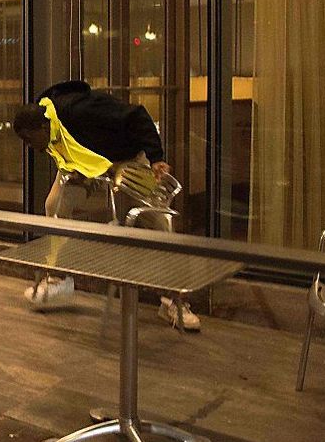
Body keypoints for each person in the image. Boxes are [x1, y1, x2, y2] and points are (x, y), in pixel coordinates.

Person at [13, 80, 201, 331]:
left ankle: (173, 301)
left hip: (126, 160)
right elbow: (72, 148)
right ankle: (58, 280)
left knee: (158, 224)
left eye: (28, 139)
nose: (30, 146)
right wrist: (80, 171)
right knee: (54, 205)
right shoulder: (49, 128)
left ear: (41, 127)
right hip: (89, 169)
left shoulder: (80, 110)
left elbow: (138, 116)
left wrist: (156, 157)